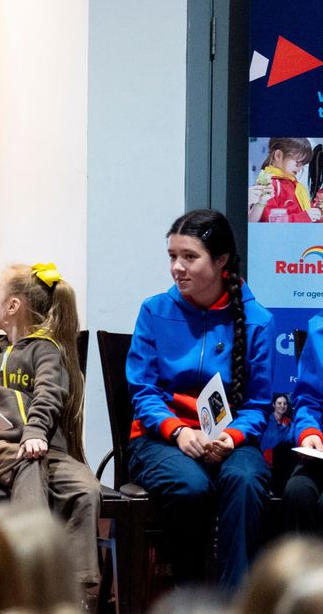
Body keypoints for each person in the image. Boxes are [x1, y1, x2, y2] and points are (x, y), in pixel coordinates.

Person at [127, 209, 274, 591]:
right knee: (190, 486)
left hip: (228, 438)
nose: (177, 267)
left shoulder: (257, 319)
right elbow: (143, 391)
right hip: (160, 437)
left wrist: (232, 438)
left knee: (245, 478)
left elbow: (258, 405)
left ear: (221, 260)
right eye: (173, 256)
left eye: (189, 257)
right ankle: (192, 602)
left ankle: (235, 608)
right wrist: (177, 432)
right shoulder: (154, 310)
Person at [0, 263, 101, 592]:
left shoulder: (46, 350)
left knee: (85, 488)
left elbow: (50, 396)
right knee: (29, 465)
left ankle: (79, 590)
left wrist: (34, 433)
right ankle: (29, 576)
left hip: (46, 448)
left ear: (12, 306)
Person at [282, 312, 323, 533]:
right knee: (299, 492)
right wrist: (309, 431)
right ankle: (302, 568)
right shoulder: (319, 328)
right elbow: (308, 398)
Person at [248, 137, 322, 223]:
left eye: (303, 164)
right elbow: (268, 220)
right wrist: (304, 217)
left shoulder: (295, 186)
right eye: (297, 163)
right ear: (278, 155)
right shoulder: (269, 184)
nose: (300, 168)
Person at [261, 392, 295, 490]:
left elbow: (290, 439)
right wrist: (282, 429)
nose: (282, 406)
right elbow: (270, 442)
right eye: (279, 403)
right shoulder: (267, 420)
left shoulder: (289, 422)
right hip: (265, 462)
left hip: (280, 464)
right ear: (273, 404)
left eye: (285, 404)